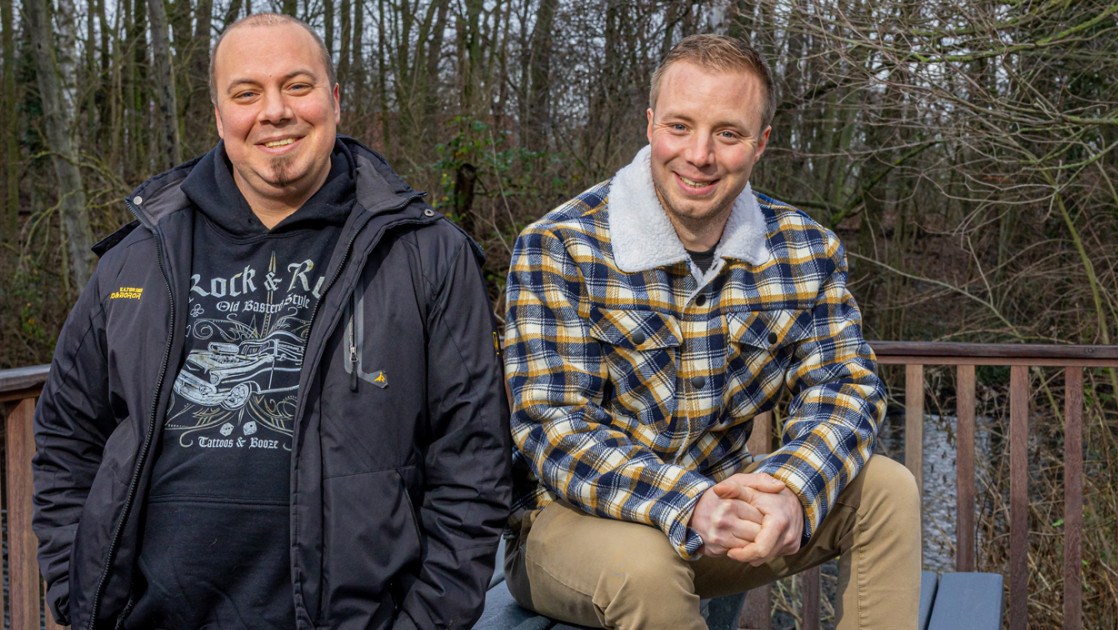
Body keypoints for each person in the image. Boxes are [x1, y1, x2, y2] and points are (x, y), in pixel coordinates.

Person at [32, 13, 510, 630]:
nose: (275, 111)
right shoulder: (140, 254)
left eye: (298, 86)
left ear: (335, 101)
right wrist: (79, 591)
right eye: (247, 93)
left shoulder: (423, 254)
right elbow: (67, 433)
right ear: (219, 115)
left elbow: (473, 457)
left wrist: (426, 621)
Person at [503, 34, 919, 629]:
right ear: (650, 125)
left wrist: (791, 488)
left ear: (760, 144)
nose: (699, 155)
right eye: (679, 126)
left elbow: (846, 387)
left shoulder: (803, 247)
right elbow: (553, 430)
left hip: (720, 519)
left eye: (727, 133)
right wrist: (687, 501)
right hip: (571, 527)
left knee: (887, 490)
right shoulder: (560, 245)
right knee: (644, 566)